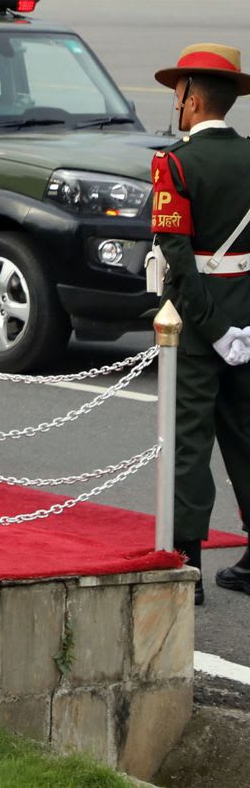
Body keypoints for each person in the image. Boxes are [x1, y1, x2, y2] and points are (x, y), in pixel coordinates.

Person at [149, 43, 250, 605]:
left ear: (190, 97)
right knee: (247, 434)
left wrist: (210, 327)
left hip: (195, 322)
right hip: (247, 316)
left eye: (178, 92)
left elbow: (178, 257)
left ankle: (186, 558)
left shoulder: (176, 163)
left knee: (191, 437)